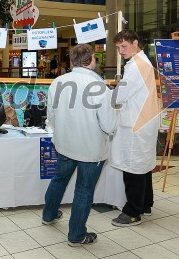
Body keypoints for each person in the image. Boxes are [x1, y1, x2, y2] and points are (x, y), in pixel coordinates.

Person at [42, 44, 117, 246]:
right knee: (84, 191)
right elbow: (109, 125)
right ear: (92, 59)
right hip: (90, 150)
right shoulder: (100, 87)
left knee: (59, 180)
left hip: (65, 145)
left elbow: (51, 116)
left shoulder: (58, 82)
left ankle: (48, 215)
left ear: (72, 60)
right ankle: (76, 235)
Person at [110, 29, 160, 227]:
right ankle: (146, 204)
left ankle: (132, 212)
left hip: (136, 122)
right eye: (118, 48)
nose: (121, 51)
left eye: (124, 46)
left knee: (133, 168)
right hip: (143, 120)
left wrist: (111, 95)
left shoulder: (136, 66)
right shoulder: (142, 62)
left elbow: (119, 97)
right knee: (143, 164)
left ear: (135, 43)